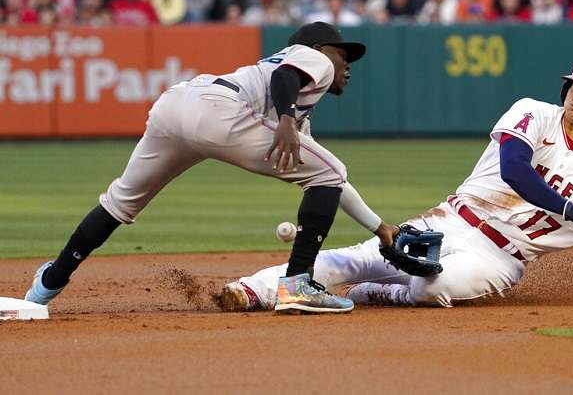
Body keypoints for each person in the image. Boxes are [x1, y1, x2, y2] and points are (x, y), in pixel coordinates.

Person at [220, 56, 573, 310]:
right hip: (450, 220)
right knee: (356, 256)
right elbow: (514, 171)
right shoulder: (533, 112)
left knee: (433, 287)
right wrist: (571, 211)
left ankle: (383, 294)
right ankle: (252, 290)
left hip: (501, 257)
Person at [24, 22, 398, 315]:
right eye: (342, 53)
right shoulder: (309, 60)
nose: (346, 64)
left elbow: (332, 178)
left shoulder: (295, 109)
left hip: (175, 105)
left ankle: (47, 284)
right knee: (328, 170)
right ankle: (298, 284)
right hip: (220, 110)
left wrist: (380, 229)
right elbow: (285, 78)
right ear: (317, 50)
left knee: (120, 201)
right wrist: (285, 118)